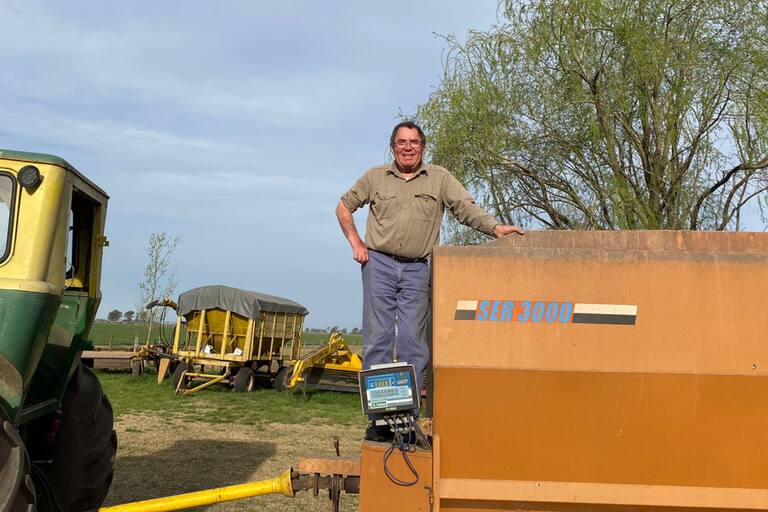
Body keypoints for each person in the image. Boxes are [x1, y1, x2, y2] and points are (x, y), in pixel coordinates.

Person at [336, 121, 524, 440]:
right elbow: (343, 207)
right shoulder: (375, 177)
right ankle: (380, 420)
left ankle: (407, 419)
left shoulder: (438, 178)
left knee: (412, 341)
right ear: (392, 146)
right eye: (401, 142)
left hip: (417, 268)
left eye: (414, 142)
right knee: (378, 340)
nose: (407, 147)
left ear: (423, 146)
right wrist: (356, 244)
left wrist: (494, 228)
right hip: (378, 264)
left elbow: (465, 208)